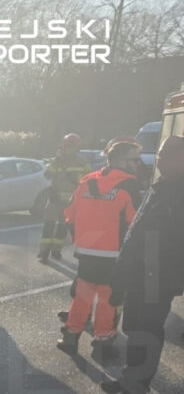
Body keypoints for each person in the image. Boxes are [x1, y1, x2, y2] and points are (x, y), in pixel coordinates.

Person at [102, 135, 184, 394]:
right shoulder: (162, 186)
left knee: (146, 332)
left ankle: (135, 391)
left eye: (163, 155)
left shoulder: (179, 191)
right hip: (141, 272)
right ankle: (129, 379)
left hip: (157, 277)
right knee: (134, 327)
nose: (157, 159)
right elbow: (139, 231)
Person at [56, 140, 142, 362]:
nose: (138, 163)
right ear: (122, 162)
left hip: (86, 252)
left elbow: (69, 214)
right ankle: (102, 346)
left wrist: (80, 242)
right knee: (109, 300)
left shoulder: (87, 181)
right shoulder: (129, 187)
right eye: (135, 159)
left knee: (82, 297)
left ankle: (70, 339)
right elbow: (137, 225)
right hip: (115, 255)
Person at [38, 133, 90, 262]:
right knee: (48, 225)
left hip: (71, 200)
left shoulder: (82, 162)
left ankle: (56, 251)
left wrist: (76, 182)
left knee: (62, 227)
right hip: (54, 198)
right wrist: (54, 163)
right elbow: (47, 175)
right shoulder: (57, 161)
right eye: (68, 147)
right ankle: (43, 253)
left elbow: (88, 180)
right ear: (64, 147)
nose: (70, 149)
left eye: (72, 147)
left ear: (77, 148)